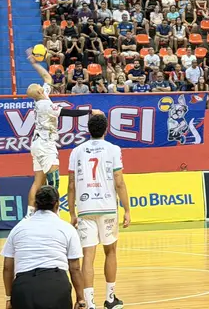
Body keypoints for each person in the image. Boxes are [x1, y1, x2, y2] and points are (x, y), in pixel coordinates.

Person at [25, 47, 104, 217]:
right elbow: (68, 113)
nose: (42, 85)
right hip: (46, 145)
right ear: (39, 91)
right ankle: (55, 215)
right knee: (54, 181)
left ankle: (29, 215)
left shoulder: (42, 97)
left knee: (38, 182)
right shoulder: (45, 105)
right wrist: (91, 112)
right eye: (40, 86)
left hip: (37, 143)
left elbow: (47, 77)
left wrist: (34, 63)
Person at [68, 114, 131, 309]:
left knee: (88, 255)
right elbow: (119, 181)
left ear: (89, 130)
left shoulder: (76, 151)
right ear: (106, 130)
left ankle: (90, 304)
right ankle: (110, 299)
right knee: (110, 251)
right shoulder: (113, 149)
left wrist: (72, 213)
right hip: (107, 207)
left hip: (85, 208)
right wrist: (127, 209)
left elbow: (71, 185)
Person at [1, 185, 86, 309]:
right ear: (57, 205)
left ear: (35, 204)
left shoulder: (18, 228)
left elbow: (7, 267)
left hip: (24, 288)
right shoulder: (67, 228)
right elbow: (75, 268)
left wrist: (9, 298)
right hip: (56, 287)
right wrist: (81, 299)